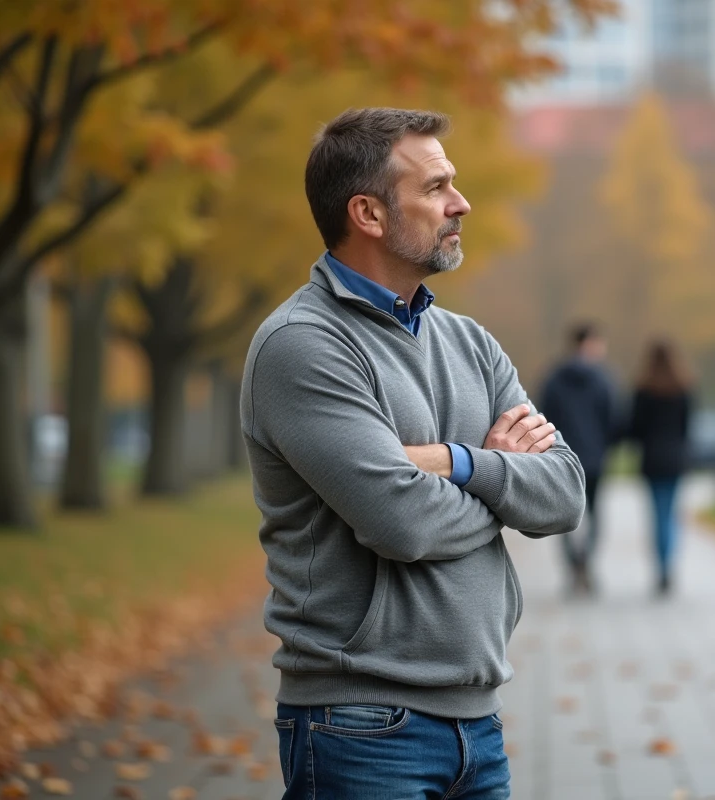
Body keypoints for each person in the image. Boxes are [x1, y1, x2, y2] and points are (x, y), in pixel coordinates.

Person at [240, 108, 586, 799]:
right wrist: (503, 488)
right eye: (435, 187)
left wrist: (458, 463)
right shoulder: (303, 345)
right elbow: (405, 524)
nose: (461, 203)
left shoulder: (470, 342)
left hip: (479, 725)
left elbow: (565, 494)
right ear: (367, 214)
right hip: (358, 727)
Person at [539, 323, 616, 595]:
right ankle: (586, 561)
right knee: (594, 515)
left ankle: (574, 565)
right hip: (594, 459)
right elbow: (612, 419)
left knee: (563, 515)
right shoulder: (603, 379)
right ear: (590, 343)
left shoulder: (554, 379)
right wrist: (606, 446)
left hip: (561, 459)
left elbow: (543, 416)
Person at [628, 341, 692, 596]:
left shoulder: (644, 391)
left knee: (657, 515)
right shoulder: (683, 389)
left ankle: (661, 566)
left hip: (652, 460)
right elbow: (686, 428)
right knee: (671, 514)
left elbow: (635, 428)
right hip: (675, 460)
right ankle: (668, 565)